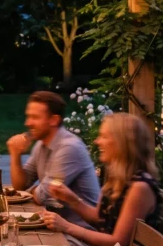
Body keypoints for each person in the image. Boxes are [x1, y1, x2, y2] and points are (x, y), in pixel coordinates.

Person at [44, 111, 161, 246]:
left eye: (104, 136)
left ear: (122, 143)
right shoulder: (118, 177)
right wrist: (71, 199)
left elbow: (117, 243)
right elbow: (98, 218)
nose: (97, 141)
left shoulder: (139, 187)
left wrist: (67, 227)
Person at [7, 90, 99, 227]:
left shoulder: (69, 147)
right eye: (28, 117)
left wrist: (35, 190)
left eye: (35, 117)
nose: (28, 123)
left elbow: (41, 197)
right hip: (55, 226)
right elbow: (20, 186)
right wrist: (15, 155)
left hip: (81, 233)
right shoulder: (41, 144)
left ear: (54, 120)